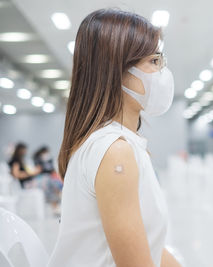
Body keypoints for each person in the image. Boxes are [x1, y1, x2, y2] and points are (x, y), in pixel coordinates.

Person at [47, 9, 181, 267]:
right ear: (118, 71)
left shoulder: (117, 142)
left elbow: (151, 249)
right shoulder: (114, 151)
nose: (162, 71)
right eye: (154, 61)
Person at [33, 146, 62, 214]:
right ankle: (55, 204)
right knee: (51, 185)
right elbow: (38, 170)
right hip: (42, 178)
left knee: (58, 183)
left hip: (50, 177)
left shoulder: (49, 160)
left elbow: (52, 170)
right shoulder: (38, 160)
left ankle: (56, 204)